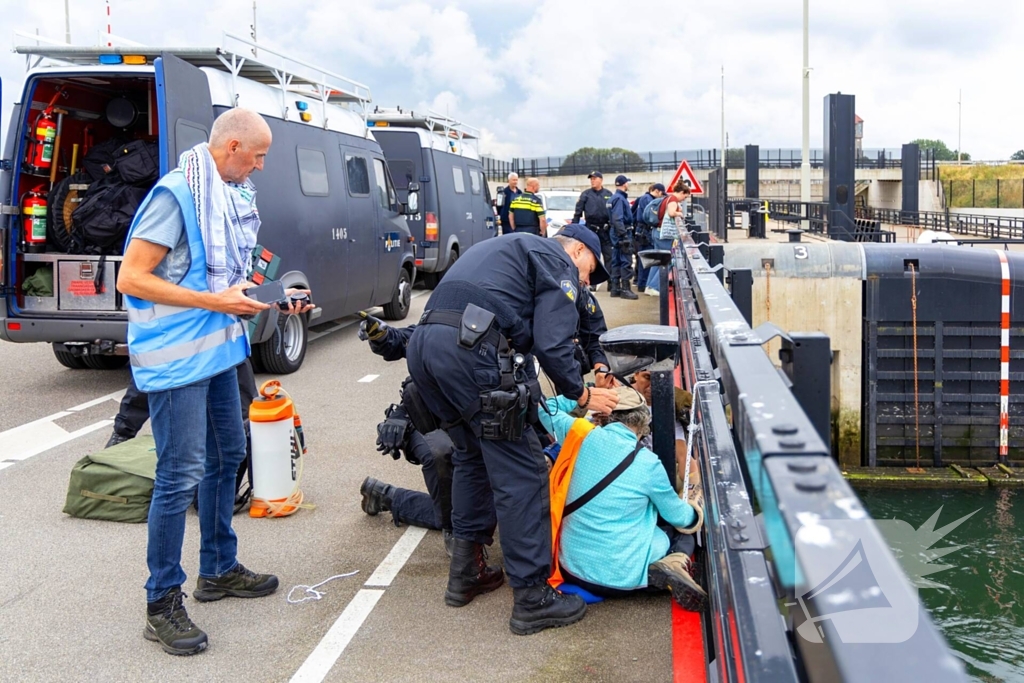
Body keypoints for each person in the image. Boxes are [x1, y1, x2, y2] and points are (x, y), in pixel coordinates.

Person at [116, 108, 312, 657]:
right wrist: (213, 301)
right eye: (259, 155)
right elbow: (131, 276)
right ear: (231, 147)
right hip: (177, 363)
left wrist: (278, 296)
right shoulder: (177, 195)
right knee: (178, 477)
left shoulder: (229, 194)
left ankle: (218, 569)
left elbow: (232, 270)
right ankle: (161, 603)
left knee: (228, 456)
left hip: (220, 351)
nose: (262, 166)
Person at [405, 224, 619, 635]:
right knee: (522, 472)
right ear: (576, 251)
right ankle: (533, 597)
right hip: (471, 351)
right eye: (590, 270)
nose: (587, 281)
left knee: (472, 458)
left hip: (426, 349)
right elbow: (553, 343)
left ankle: (466, 572)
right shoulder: (556, 261)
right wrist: (582, 395)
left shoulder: (507, 248)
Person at [539, 385, 706, 610]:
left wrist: (587, 393)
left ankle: (668, 565)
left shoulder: (578, 433)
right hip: (623, 578)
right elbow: (682, 519)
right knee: (680, 533)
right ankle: (674, 561)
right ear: (643, 423)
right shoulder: (648, 463)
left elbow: (544, 407)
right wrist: (695, 507)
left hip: (572, 568)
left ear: (604, 414)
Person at [645, 180, 691, 296]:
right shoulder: (673, 200)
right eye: (684, 197)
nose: (683, 199)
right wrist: (679, 214)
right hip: (664, 235)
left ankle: (649, 286)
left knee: (657, 260)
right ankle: (655, 287)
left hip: (657, 232)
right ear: (681, 192)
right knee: (668, 260)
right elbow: (671, 213)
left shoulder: (666, 198)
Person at [571, 172, 614, 280]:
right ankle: (592, 279)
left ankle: (610, 281)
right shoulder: (586, 194)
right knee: (592, 256)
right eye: (591, 179)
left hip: (605, 230)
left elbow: (613, 212)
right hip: (591, 229)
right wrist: (574, 229)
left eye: (595, 179)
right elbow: (578, 212)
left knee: (609, 255)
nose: (592, 181)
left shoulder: (608, 194)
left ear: (601, 180)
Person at [608, 175, 637, 299]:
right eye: (627, 183)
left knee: (616, 260)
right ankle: (625, 289)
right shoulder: (620, 199)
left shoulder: (612, 198)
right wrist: (624, 235)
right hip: (622, 231)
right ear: (624, 184)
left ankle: (615, 288)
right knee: (625, 260)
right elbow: (617, 218)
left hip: (615, 231)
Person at [632, 183, 664, 293]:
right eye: (661, 194)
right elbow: (650, 217)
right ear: (657, 191)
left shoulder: (643, 198)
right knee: (647, 258)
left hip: (642, 231)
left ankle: (642, 283)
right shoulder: (648, 199)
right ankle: (643, 283)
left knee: (645, 258)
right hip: (645, 232)